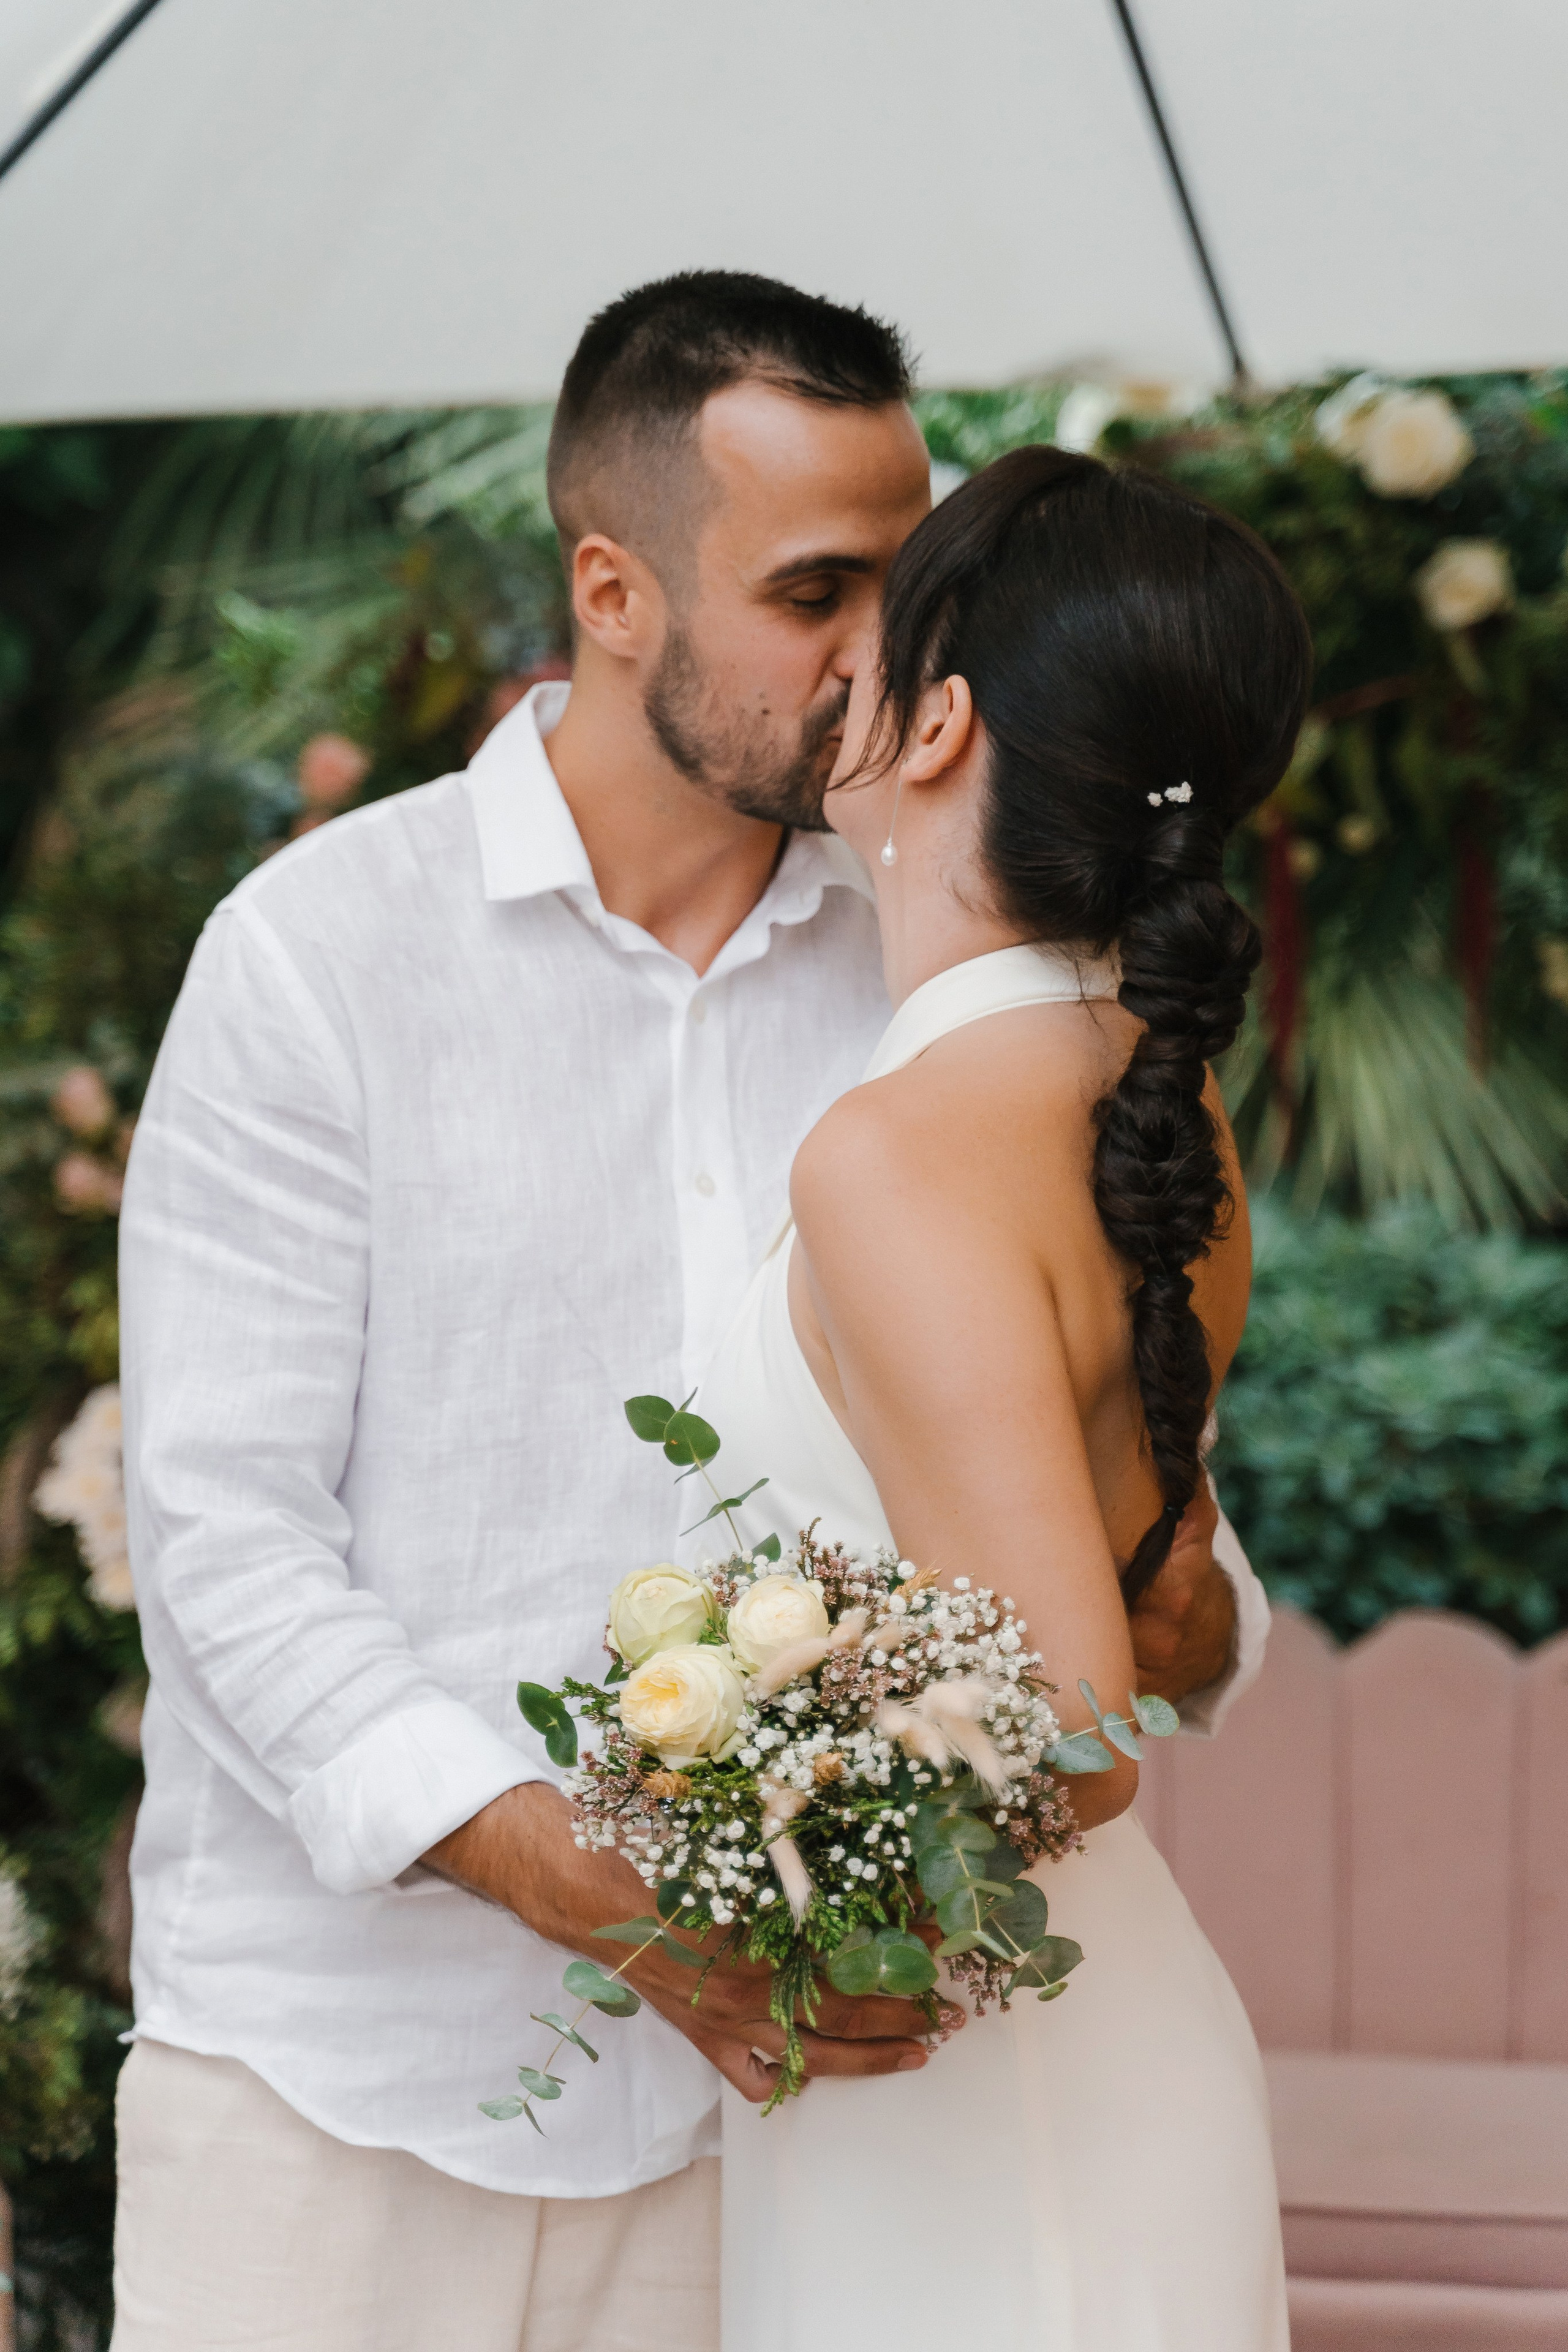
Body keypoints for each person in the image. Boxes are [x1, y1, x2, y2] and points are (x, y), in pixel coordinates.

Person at [113, 276, 1270, 2352]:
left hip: (785, 2132)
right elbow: (223, 1547)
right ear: (613, 588)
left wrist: (1207, 1612)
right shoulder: (316, 961)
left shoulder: (940, 992)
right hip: (335, 2104)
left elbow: (1092, 1472)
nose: (881, 661)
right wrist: (597, 1893)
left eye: (902, 591)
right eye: (815, 589)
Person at [699, 443, 1313, 2349]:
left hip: (984, 2106)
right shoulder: (1153, 1096)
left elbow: (1071, 1728)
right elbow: (1137, 1592)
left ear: (939, 720)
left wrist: (716, 1801)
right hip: (1064, 2051)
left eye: (866, 642)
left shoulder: (897, 1156)